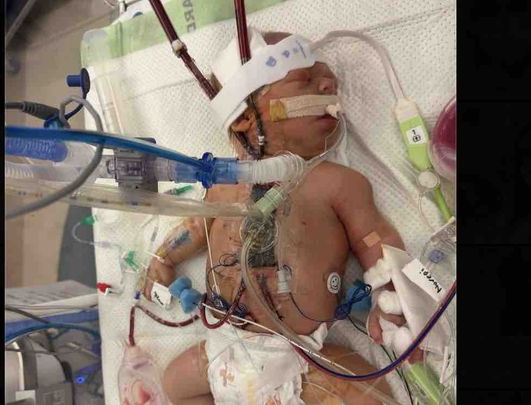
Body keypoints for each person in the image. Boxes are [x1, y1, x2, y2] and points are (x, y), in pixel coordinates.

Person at [143, 30, 411, 404]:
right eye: (305, 79)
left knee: (370, 397)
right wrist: (163, 257)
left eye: (329, 81)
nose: (329, 86)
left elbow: (375, 240)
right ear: (243, 119)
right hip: (223, 353)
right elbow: (197, 225)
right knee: (173, 383)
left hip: (301, 360)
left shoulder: (337, 183)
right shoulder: (222, 184)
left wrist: (393, 296)